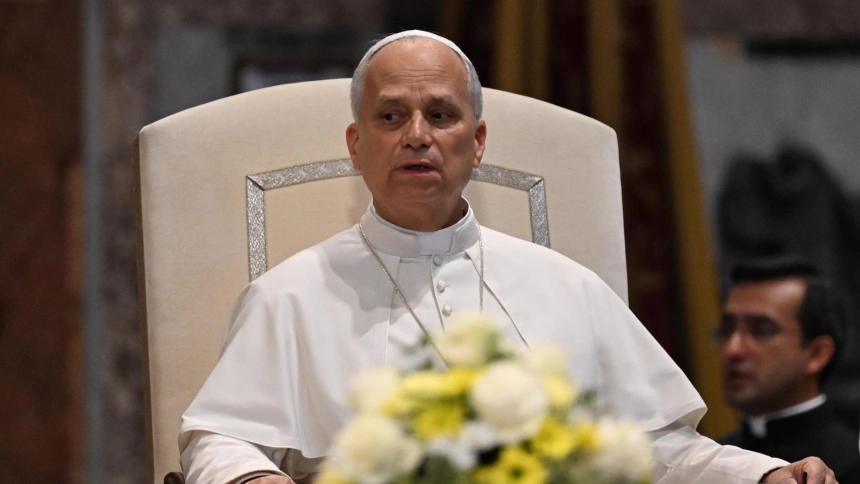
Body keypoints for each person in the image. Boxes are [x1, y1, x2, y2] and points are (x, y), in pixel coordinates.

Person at [178, 30, 839, 484]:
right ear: (355, 145)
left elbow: (656, 449)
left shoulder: (566, 288)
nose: (417, 136)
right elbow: (219, 439)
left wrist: (763, 472)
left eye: (441, 114)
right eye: (391, 117)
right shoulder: (288, 295)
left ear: (479, 139)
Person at [717, 257, 860, 479]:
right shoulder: (713, 462)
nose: (732, 349)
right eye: (727, 329)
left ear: (816, 354)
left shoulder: (851, 466)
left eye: (761, 330)